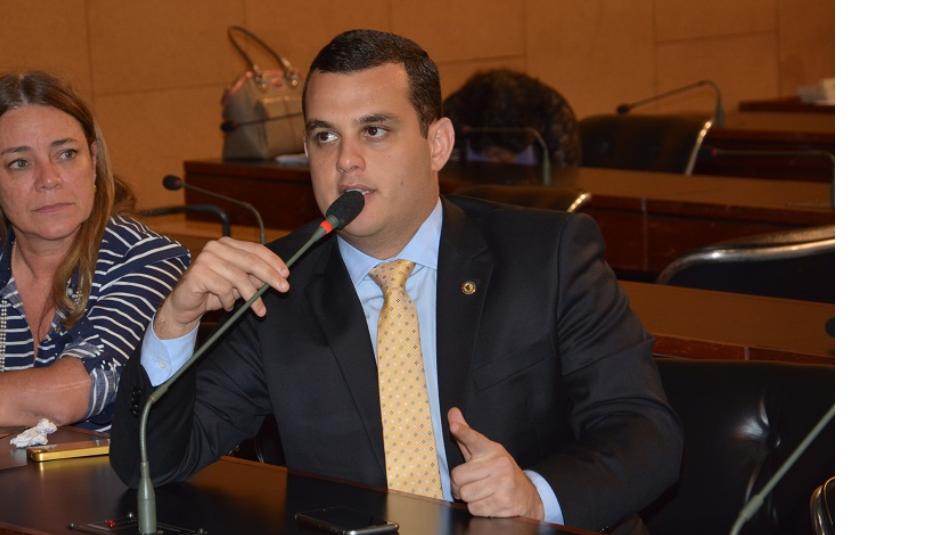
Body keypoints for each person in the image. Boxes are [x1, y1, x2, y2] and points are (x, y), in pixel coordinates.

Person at [109, 30, 682, 532]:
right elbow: (152, 467)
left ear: (438, 144)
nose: (346, 162)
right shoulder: (280, 285)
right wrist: (175, 322)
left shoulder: (547, 256)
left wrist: (536, 498)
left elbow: (645, 433)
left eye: (375, 130)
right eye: (325, 137)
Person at [0, 71, 190, 431]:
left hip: (116, 469)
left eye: (66, 154)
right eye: (20, 163)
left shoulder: (151, 260)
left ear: (93, 161)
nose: (48, 179)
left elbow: (69, 395)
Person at [443, 68, 581, 167]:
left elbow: (565, 179)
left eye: (502, 156)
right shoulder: (456, 113)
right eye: (493, 154)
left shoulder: (552, 113)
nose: (496, 162)